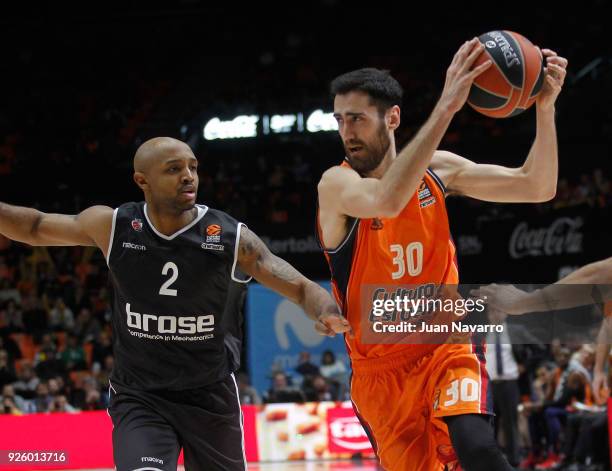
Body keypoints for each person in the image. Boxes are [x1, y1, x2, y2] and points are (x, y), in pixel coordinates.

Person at [0, 136, 350, 471]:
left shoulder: (229, 238)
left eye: (193, 167)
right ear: (142, 180)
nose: (188, 176)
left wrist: (326, 310)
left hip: (210, 396)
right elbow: (35, 227)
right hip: (140, 395)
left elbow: (302, 288)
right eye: (173, 169)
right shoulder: (114, 226)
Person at [316, 37, 567, 470]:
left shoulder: (440, 169)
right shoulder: (335, 186)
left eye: (357, 119)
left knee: (478, 447)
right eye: (340, 120)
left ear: (392, 118)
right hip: (381, 371)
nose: (347, 131)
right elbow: (387, 200)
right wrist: (447, 106)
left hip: (446, 343)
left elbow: (537, 185)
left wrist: (545, 108)